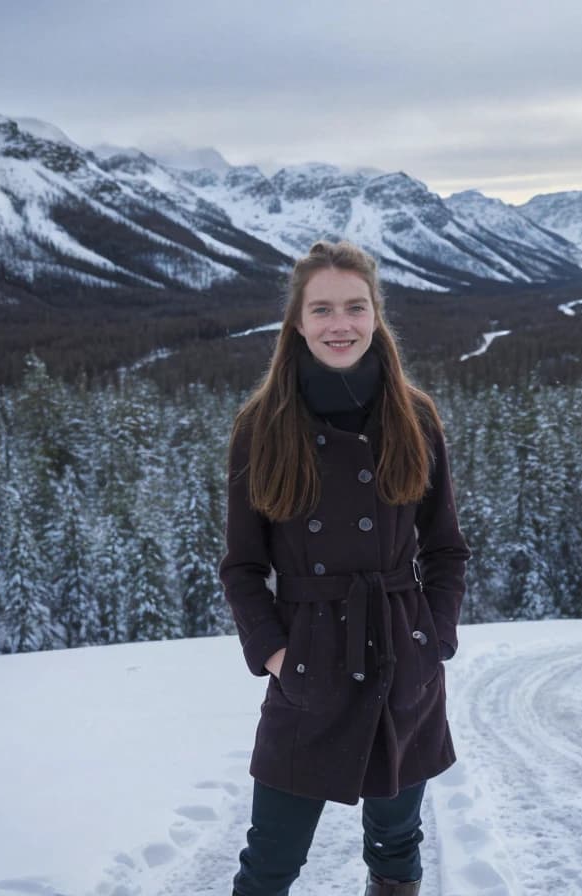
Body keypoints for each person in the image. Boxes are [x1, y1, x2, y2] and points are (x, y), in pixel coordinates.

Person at [220, 240, 470, 896]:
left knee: (396, 845)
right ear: (297, 323)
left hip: (402, 662)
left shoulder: (414, 418)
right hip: (309, 666)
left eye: (355, 307)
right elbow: (242, 567)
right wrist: (277, 652)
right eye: (323, 309)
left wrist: (433, 637)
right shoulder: (261, 427)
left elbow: (444, 548)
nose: (341, 324)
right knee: (269, 858)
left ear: (376, 316)